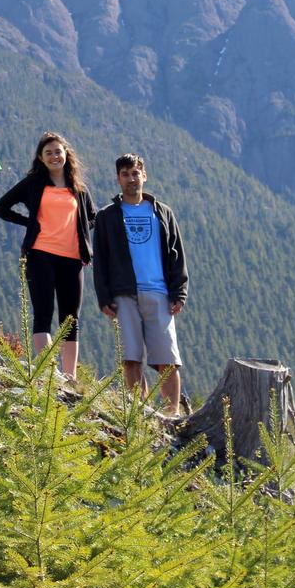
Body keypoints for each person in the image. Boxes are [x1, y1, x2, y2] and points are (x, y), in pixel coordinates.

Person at [0, 132, 97, 378]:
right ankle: (48, 374)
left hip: (72, 258)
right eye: (48, 153)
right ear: (41, 158)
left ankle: (69, 377)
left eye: (57, 151)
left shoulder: (78, 188)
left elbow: (91, 217)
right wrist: (29, 223)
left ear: (66, 154)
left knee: (70, 319)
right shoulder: (33, 183)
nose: (54, 156)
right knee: (43, 313)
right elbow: (1, 207)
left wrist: (80, 230)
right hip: (40, 254)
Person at [92, 152, 189, 416]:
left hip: (159, 293)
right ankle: (139, 414)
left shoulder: (163, 213)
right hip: (124, 295)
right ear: (117, 179)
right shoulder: (107, 216)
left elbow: (176, 253)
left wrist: (179, 292)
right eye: (125, 174)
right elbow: (100, 260)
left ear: (144, 176)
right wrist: (104, 297)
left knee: (167, 360)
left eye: (135, 173)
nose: (131, 179)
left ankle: (172, 415)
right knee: (130, 358)